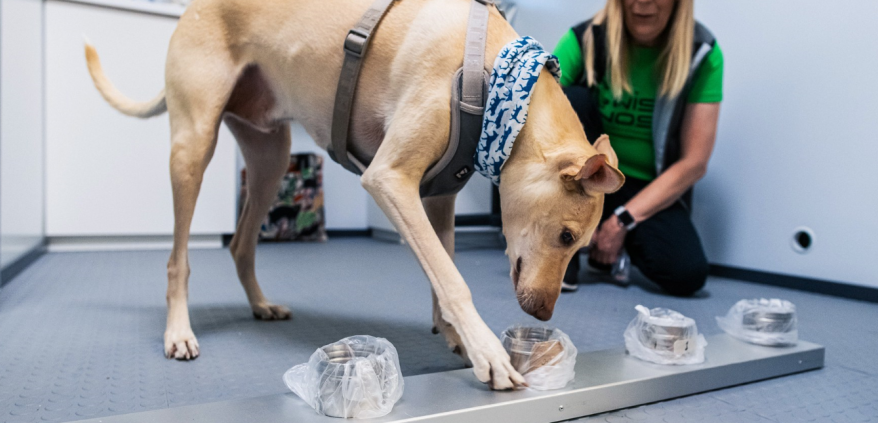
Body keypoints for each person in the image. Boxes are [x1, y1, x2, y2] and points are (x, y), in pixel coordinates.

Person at [553, 0, 723, 296]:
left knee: (687, 274)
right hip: (587, 178)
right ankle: (561, 251)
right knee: (570, 99)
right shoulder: (585, 38)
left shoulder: (703, 52)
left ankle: (612, 240)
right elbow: (535, 104)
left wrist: (622, 221)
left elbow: (694, 162)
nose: (643, 3)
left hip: (645, 189)